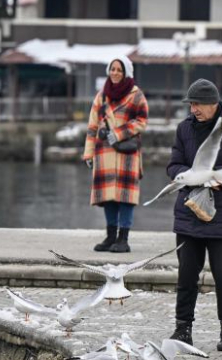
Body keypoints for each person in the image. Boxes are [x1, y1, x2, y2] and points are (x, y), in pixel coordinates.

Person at [167, 79, 222, 352]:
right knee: (186, 277)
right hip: (189, 213)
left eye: (197, 104)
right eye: (191, 104)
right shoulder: (184, 129)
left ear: (213, 103)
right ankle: (183, 329)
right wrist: (190, 176)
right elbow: (173, 165)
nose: (193, 109)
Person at [82, 55, 148, 253]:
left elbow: (142, 121)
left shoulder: (136, 95)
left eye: (119, 70)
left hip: (127, 152)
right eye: (112, 69)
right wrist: (88, 153)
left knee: (125, 196)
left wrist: (117, 134)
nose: (115, 73)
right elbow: (92, 126)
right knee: (109, 196)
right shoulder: (101, 95)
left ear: (126, 72)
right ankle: (111, 236)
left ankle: (123, 238)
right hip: (104, 152)